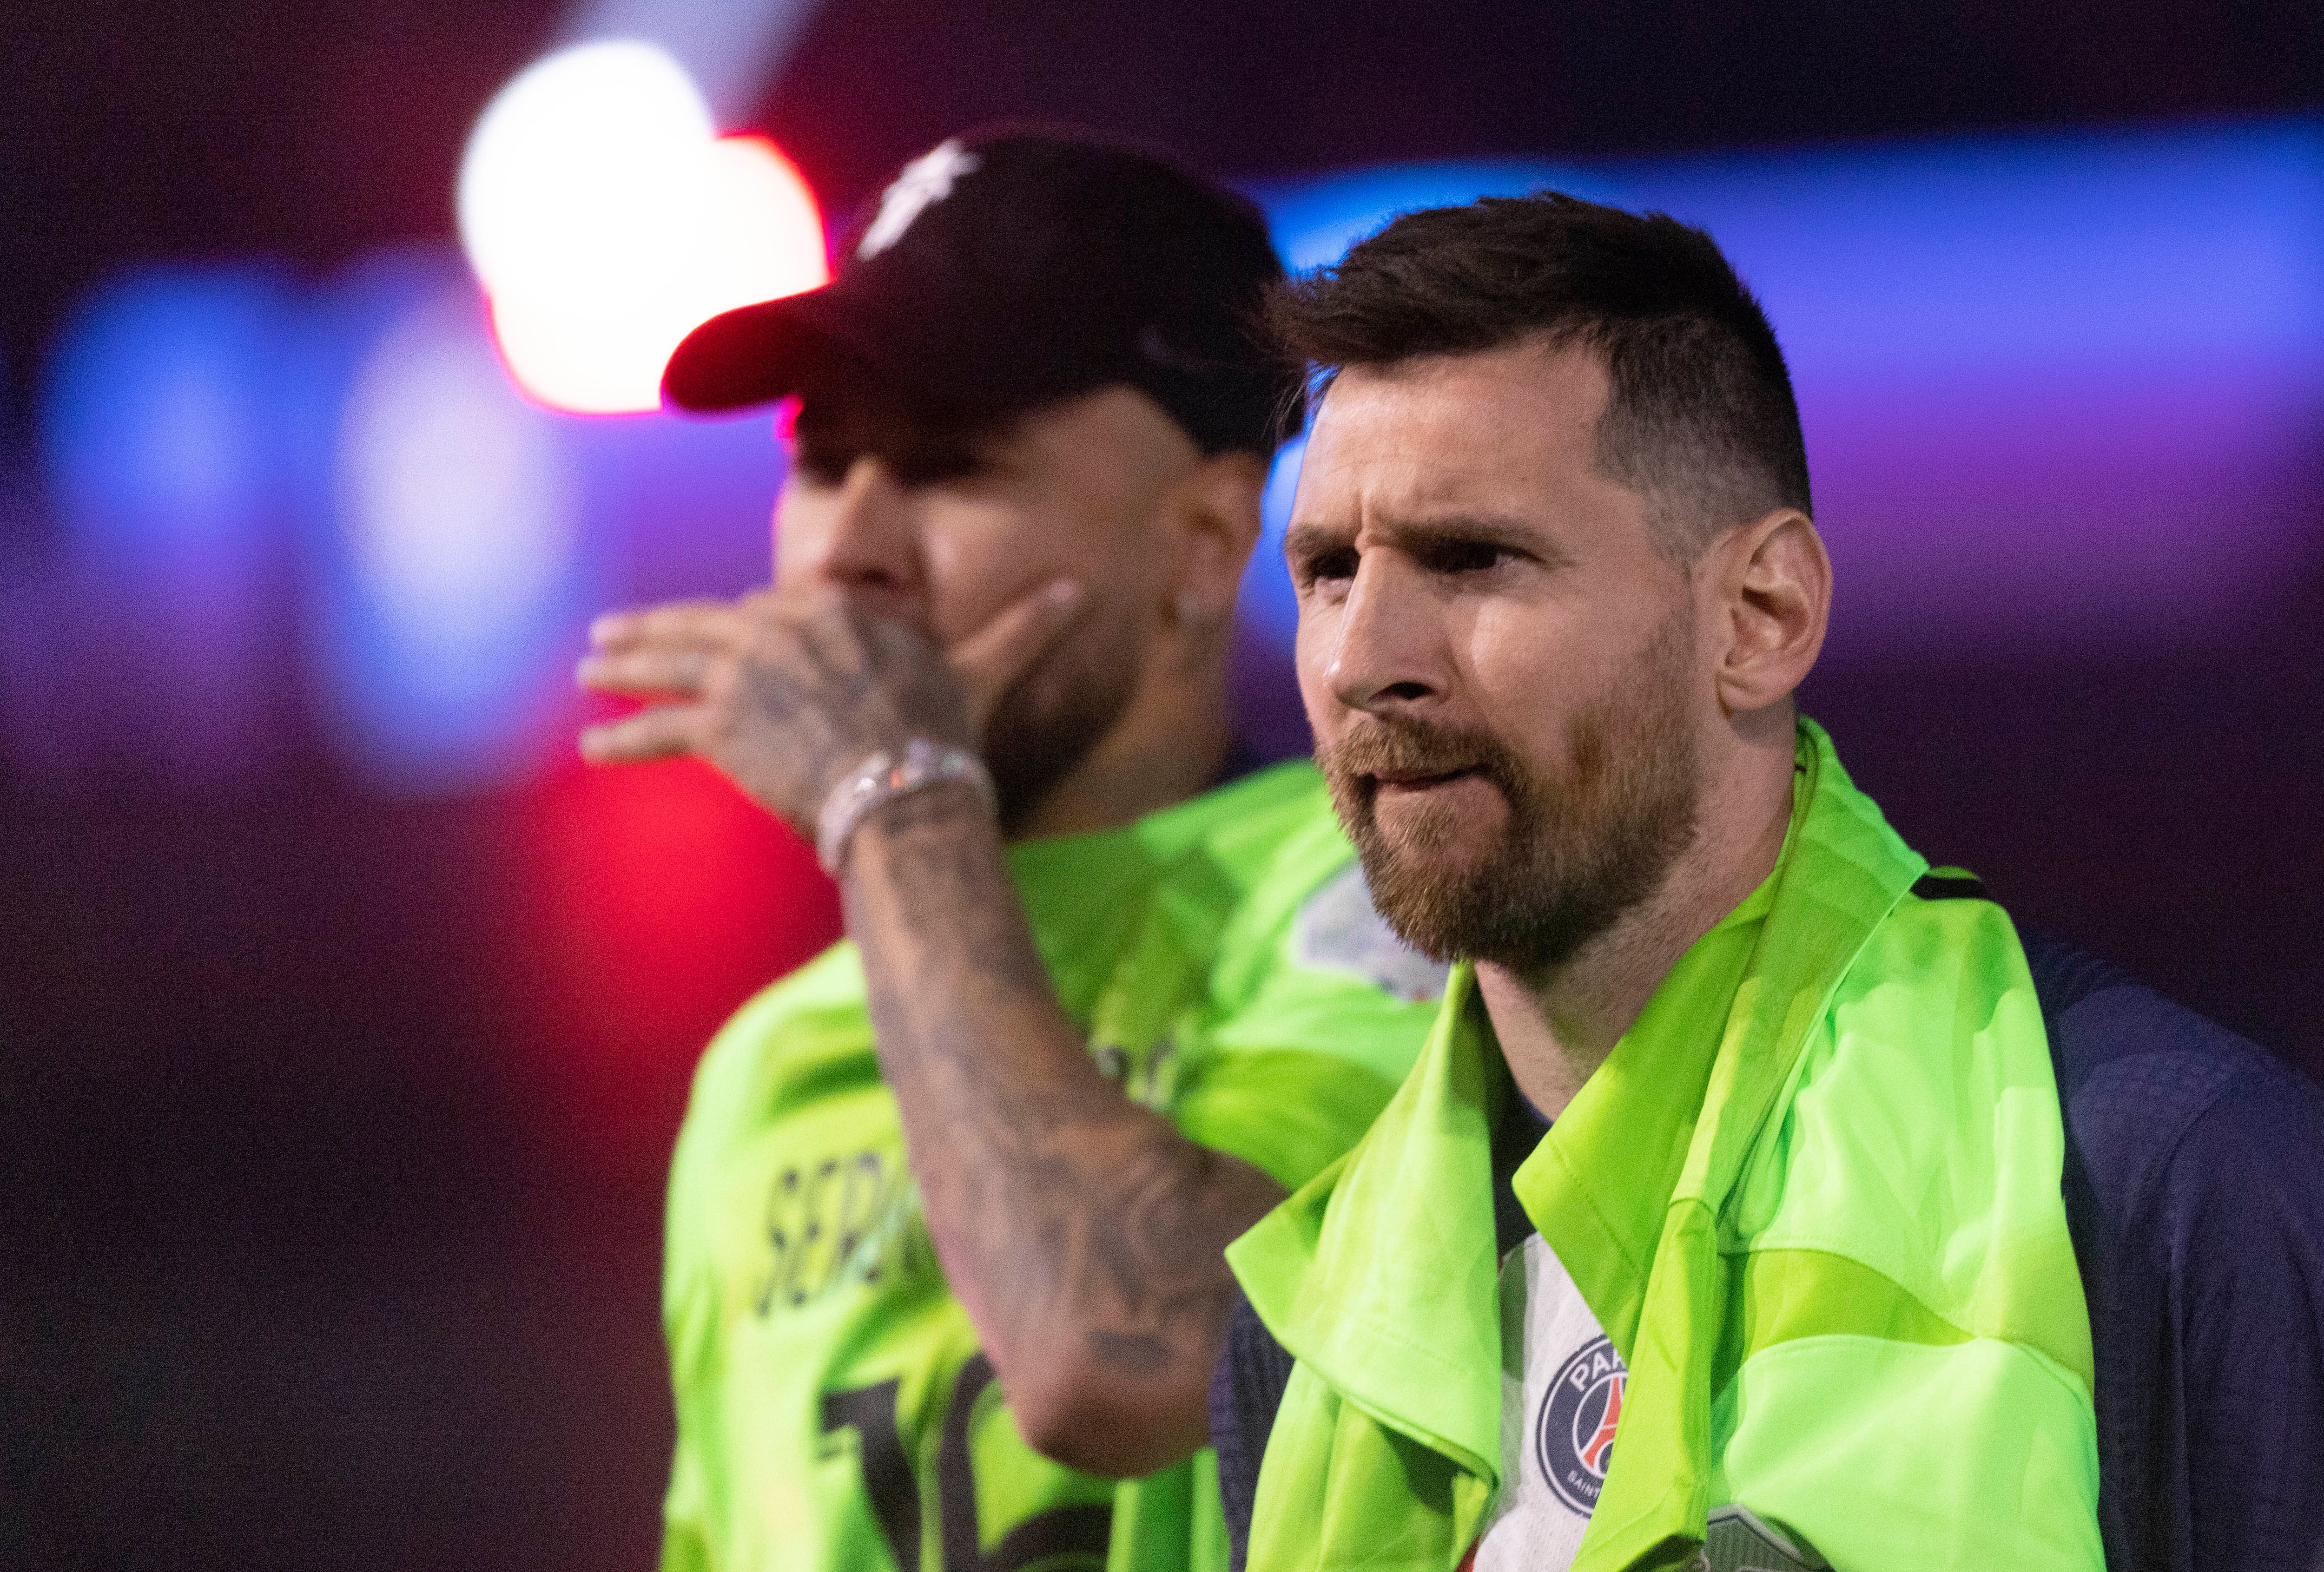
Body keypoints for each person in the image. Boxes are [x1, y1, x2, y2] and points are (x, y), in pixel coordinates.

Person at [578, 127, 1445, 1572]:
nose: (849, 548)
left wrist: (894, 799)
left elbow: (1138, 1348)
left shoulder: (1407, 907)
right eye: (822, 458)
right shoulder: (766, 1074)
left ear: (1201, 540)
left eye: (950, 466)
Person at [1207, 192, 2112, 1572]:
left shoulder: (2139, 1183)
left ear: (1762, 616)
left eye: (1473, 559)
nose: (1360, 659)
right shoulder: (1305, 1318)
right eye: (1328, 569)